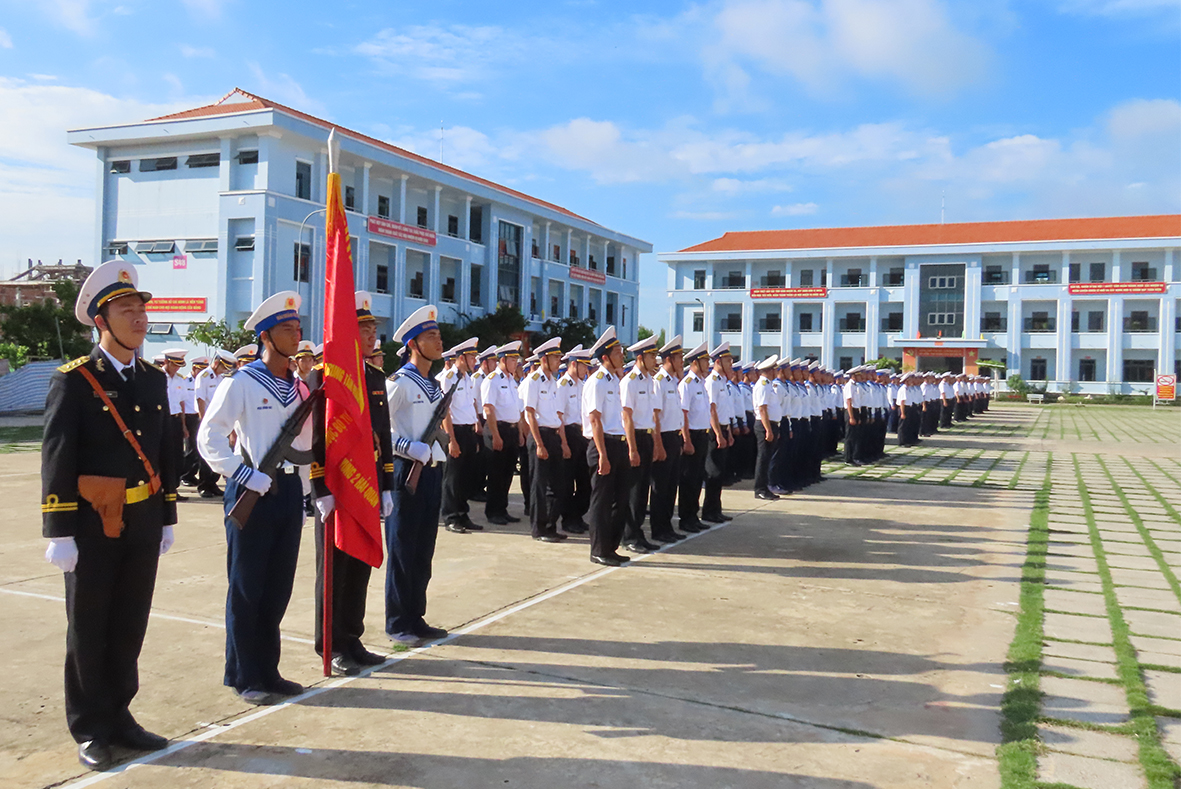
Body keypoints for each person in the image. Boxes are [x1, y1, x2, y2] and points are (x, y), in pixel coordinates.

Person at [41, 261, 177, 770]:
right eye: (126, 310)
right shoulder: (75, 381)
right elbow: (58, 456)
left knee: (129, 623)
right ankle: (90, 728)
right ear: (101, 321)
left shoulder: (153, 380)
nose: (139, 318)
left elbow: (165, 450)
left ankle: (120, 716)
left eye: (141, 309)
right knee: (89, 625)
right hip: (92, 525)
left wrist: (167, 515)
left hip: (143, 520)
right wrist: (59, 530)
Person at [198, 291, 311, 706]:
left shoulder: (299, 388)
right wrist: (242, 473)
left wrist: (308, 492)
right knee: (247, 587)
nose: (296, 335)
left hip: (288, 492)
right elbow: (209, 436)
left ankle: (268, 670)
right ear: (265, 336)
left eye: (298, 327)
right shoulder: (241, 382)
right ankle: (244, 674)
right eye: (287, 329)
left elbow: (306, 445)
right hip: (252, 490)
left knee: (278, 587)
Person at [308, 291, 395, 676]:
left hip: (367, 484)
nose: (372, 335)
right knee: (334, 570)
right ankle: (331, 644)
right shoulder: (323, 376)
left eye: (374, 328)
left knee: (359, 563)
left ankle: (352, 638)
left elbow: (383, 434)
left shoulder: (374, 377)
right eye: (364, 328)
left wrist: (387, 483)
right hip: (338, 486)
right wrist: (320, 488)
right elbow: (315, 436)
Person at [383, 305, 449, 646]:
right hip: (407, 472)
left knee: (423, 551)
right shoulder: (400, 383)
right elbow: (379, 430)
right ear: (413, 344)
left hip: (431, 472)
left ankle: (415, 616)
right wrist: (408, 447)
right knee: (403, 549)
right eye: (430, 336)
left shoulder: (433, 384)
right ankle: (398, 621)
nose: (439, 342)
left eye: (438, 335)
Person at [582, 326, 633, 567]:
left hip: (618, 443)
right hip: (603, 445)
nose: (622, 356)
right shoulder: (597, 381)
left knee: (620, 499)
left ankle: (611, 547)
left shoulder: (614, 380)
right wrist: (602, 454)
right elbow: (595, 420)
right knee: (601, 502)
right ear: (605, 357)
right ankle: (598, 549)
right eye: (618, 353)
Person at [520, 337, 570, 544]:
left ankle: (550, 525)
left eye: (559, 357)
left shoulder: (554, 383)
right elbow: (530, 414)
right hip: (539, 435)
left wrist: (563, 442)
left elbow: (558, 415)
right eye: (555, 357)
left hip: (554, 435)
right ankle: (538, 528)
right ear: (544, 359)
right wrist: (539, 443)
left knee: (558, 485)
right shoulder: (533, 381)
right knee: (539, 486)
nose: (559, 361)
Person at [619, 335, 663, 553]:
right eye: (651, 355)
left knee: (643, 490)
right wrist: (632, 448)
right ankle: (629, 536)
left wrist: (655, 442)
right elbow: (627, 416)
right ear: (640, 357)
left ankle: (638, 533)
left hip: (646, 437)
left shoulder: (648, 381)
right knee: (633, 492)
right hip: (634, 437)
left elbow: (651, 417)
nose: (655, 359)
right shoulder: (629, 381)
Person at [439, 338, 481, 534]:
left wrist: (475, 428)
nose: (475, 360)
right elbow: (445, 411)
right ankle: (451, 517)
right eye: (472, 357)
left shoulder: (467, 378)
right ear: (461, 358)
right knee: (453, 478)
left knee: (466, 476)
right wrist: (451, 440)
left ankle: (463, 514)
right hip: (455, 431)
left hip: (468, 431)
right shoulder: (449, 377)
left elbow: (469, 405)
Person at [480, 342, 525, 526]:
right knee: (496, 474)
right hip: (498, 429)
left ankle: (502, 509)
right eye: (513, 360)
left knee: (507, 474)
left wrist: (520, 433)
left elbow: (516, 410)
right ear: (503, 360)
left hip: (512, 431)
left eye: (516, 360)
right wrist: (495, 435)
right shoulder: (492, 380)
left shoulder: (511, 381)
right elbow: (488, 409)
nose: (516, 363)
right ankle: (493, 511)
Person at [649, 336, 686, 543]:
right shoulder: (659, 382)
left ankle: (667, 526)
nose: (682, 361)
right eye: (679, 357)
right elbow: (655, 416)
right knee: (660, 487)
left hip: (674, 437)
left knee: (672, 486)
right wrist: (658, 444)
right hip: (662, 437)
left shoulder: (673, 381)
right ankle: (658, 528)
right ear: (669, 359)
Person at [676, 342, 711, 534]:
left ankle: (693, 516)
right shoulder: (687, 384)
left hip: (703, 434)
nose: (708, 364)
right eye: (705, 360)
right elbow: (684, 414)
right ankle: (686, 518)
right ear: (695, 362)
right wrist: (687, 440)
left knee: (697, 478)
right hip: (692, 435)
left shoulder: (701, 383)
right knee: (688, 479)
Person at [558, 346, 591, 534]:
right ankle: (568, 519)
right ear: (573, 364)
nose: (586, 370)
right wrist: (563, 443)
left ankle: (578, 515)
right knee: (567, 482)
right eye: (583, 366)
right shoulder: (562, 385)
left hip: (582, 435)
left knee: (585, 481)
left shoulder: (582, 385)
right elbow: (559, 417)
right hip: (568, 435)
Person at [193, 350, 235, 498]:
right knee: (206, 453)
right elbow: (200, 399)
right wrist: (203, 420)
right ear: (216, 363)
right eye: (223, 367)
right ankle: (204, 485)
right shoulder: (203, 376)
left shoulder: (223, 378)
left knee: (219, 452)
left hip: (221, 420)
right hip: (207, 420)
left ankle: (213, 483)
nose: (224, 370)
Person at [701, 343, 734, 525]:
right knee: (713, 472)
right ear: (718, 361)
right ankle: (709, 511)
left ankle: (716, 509)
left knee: (720, 472)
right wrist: (718, 434)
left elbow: (724, 410)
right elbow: (712, 410)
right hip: (714, 431)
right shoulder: (712, 381)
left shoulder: (722, 381)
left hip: (723, 428)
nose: (731, 364)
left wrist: (728, 432)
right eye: (728, 360)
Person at [752, 355, 781, 500]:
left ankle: (765, 487)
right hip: (764, 425)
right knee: (763, 458)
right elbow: (762, 409)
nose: (777, 372)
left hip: (771, 424)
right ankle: (760, 489)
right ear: (770, 371)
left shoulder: (768, 384)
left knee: (767, 458)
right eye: (775, 370)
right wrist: (768, 430)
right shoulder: (762, 385)